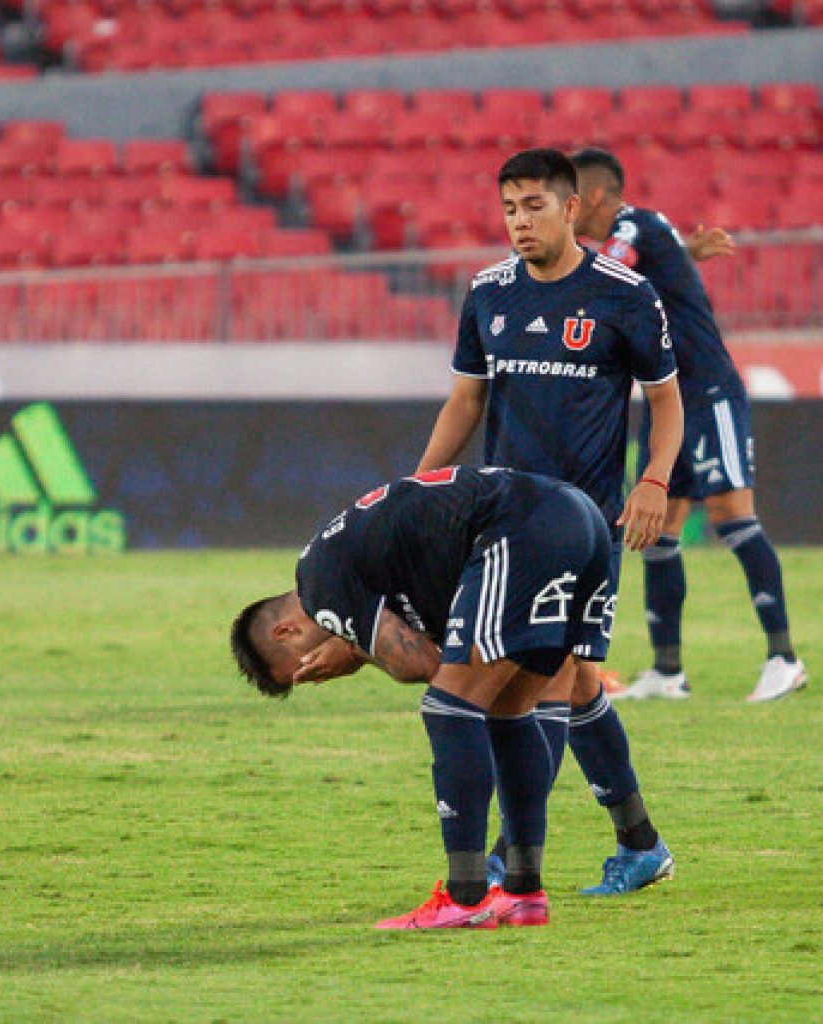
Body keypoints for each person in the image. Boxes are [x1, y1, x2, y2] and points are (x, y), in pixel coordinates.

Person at [407, 147, 684, 896]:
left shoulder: (626, 294)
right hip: (500, 521)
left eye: (533, 206)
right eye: (508, 208)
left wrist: (653, 480)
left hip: (584, 526)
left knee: (541, 681)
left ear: (572, 208)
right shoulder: (489, 293)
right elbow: (466, 400)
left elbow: (665, 400)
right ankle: (640, 841)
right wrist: (422, 485)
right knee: (577, 681)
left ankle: (507, 858)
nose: (519, 222)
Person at [232, 465, 612, 929]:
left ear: (286, 631)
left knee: (449, 708)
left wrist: (357, 651)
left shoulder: (317, 588)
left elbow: (423, 666)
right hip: (578, 517)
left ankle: (466, 897)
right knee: (509, 709)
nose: (317, 673)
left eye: (303, 668)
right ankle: (523, 893)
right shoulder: (340, 555)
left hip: (521, 525)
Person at [571, 147, 806, 703]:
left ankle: (784, 659)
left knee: (731, 516)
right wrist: (684, 253)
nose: (567, 204)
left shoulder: (631, 226)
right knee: (659, 532)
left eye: (572, 193)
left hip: (707, 390)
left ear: (597, 195)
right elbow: (650, 269)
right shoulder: (648, 231)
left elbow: (610, 277)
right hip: (667, 398)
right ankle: (667, 670)